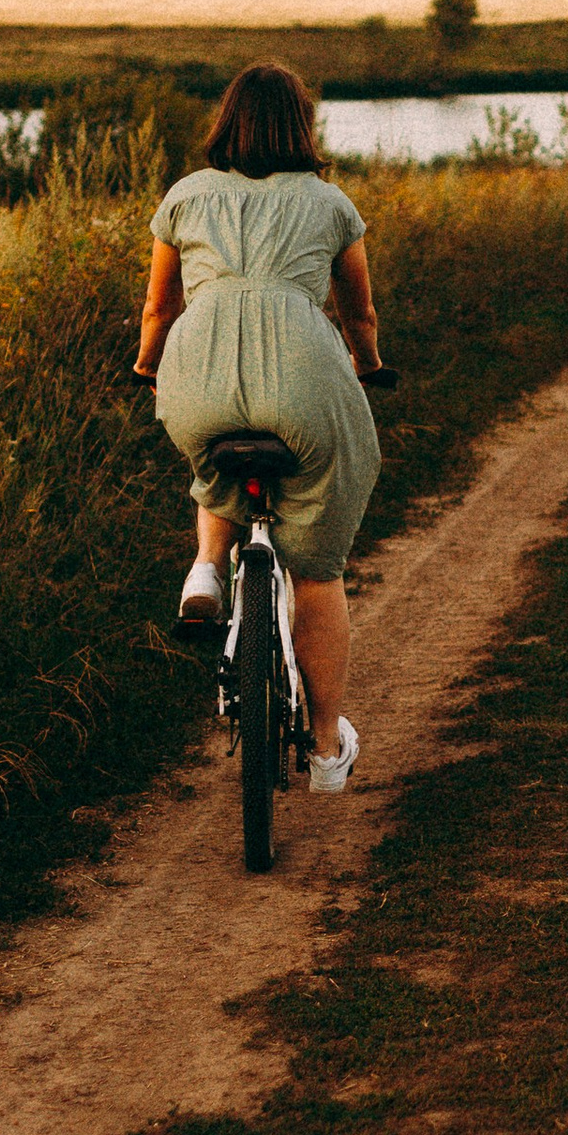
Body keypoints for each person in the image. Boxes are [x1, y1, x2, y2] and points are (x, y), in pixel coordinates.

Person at [133, 62, 385, 795]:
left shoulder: (184, 197)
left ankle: (208, 569)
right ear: (302, 127)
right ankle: (328, 746)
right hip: (305, 379)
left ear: (227, 121)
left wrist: (149, 367)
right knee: (316, 568)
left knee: (211, 460)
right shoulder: (330, 204)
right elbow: (359, 315)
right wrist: (370, 364)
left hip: (199, 374)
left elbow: (158, 310)